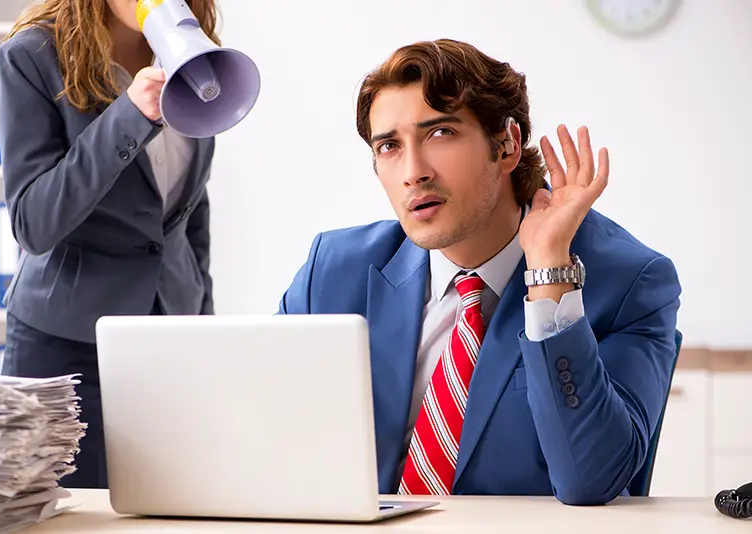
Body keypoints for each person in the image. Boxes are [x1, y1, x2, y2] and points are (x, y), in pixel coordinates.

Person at [278, 39, 681, 505]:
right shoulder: (332, 272)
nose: (413, 172)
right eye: (389, 146)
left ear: (507, 144)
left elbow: (591, 481)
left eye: (440, 133)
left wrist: (550, 275)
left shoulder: (631, 282)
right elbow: (265, 437)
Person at [0, 0, 220, 489]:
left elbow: (187, 211)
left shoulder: (193, 56)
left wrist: (204, 325)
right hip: (66, 348)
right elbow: (34, 222)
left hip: (170, 339)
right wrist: (129, 114)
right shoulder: (31, 56)